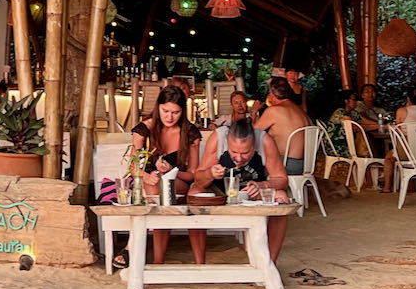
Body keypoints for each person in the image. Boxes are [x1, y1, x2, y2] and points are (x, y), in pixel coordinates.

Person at [191, 118, 289, 263]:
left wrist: (262, 185)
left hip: (252, 193)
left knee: (281, 197)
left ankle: (269, 264)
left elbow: (282, 179)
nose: (238, 158)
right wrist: (210, 173)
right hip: (220, 193)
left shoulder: (265, 141)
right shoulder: (218, 138)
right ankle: (200, 263)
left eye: (245, 153)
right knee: (194, 194)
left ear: (254, 144)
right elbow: (198, 178)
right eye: (233, 152)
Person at [127, 85, 201, 267]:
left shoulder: (190, 133)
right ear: (157, 107)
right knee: (157, 190)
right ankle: (154, 259)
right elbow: (133, 166)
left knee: (162, 190)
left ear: (182, 112)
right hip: (148, 183)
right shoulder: (145, 129)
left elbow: (192, 175)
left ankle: (135, 249)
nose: (169, 117)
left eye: (175, 112)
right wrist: (145, 176)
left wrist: (170, 172)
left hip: (178, 182)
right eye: (165, 111)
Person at [254, 76, 309, 176]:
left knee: (248, 159)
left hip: (284, 164)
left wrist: (254, 112)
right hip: (304, 164)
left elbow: (250, 134)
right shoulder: (299, 110)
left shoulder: (274, 111)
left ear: (271, 94)